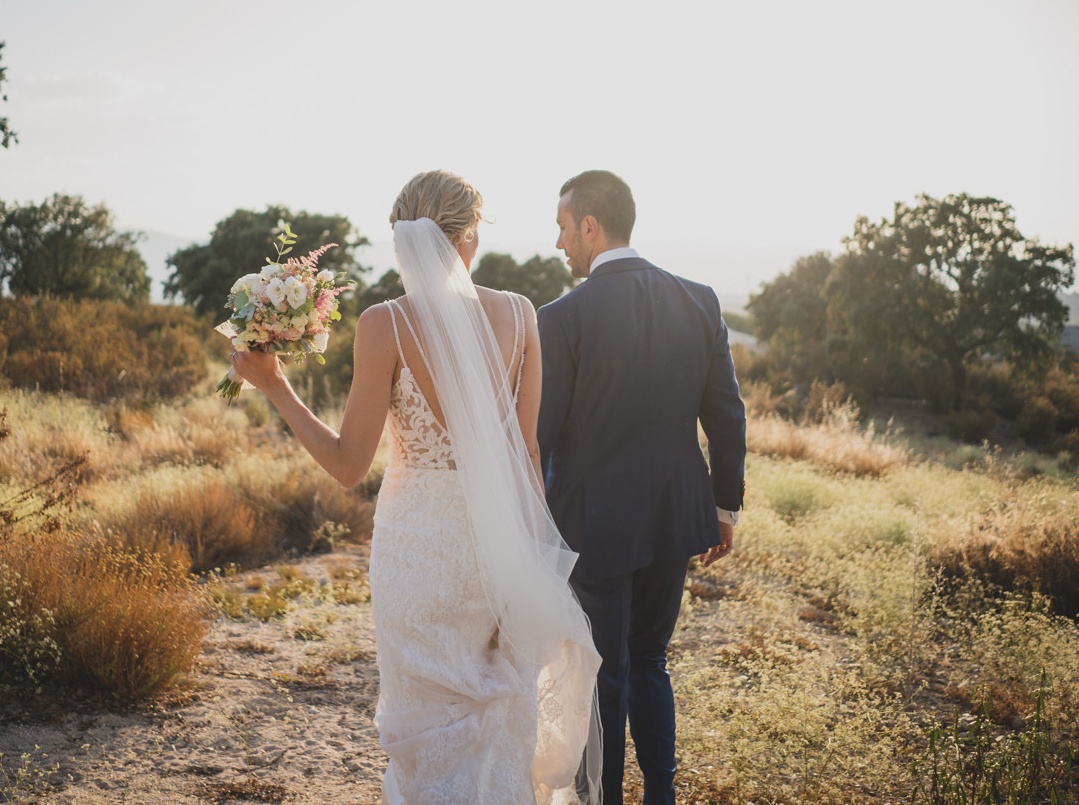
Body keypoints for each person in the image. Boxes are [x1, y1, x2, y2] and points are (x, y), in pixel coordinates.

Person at [229, 170, 602, 805]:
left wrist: (275, 386)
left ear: (407, 240)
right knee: (495, 709)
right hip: (496, 548)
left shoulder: (386, 323)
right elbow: (528, 453)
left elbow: (349, 464)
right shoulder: (521, 313)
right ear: (467, 236)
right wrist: (531, 555)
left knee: (424, 717)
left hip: (417, 552)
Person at [536, 170, 747, 805]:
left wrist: (532, 520)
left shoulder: (561, 317)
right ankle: (661, 795)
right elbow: (727, 415)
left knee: (602, 667)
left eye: (563, 229)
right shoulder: (698, 300)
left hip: (593, 523)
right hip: (675, 515)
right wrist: (724, 507)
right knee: (650, 658)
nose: (559, 243)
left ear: (590, 227)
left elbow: (543, 433)